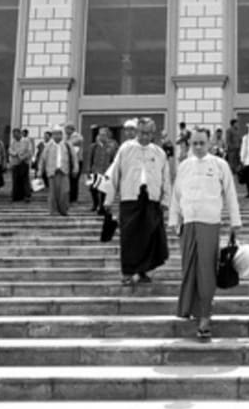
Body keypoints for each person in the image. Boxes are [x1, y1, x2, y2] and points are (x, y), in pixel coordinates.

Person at [168, 128, 242, 341]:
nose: (198, 147)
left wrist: (234, 222)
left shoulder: (220, 165)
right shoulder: (184, 166)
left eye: (202, 143)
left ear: (209, 143)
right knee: (188, 269)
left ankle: (205, 318)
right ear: (189, 144)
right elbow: (176, 195)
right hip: (188, 223)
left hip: (210, 223)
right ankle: (190, 310)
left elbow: (230, 194)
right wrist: (174, 220)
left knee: (206, 271)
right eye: (195, 144)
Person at [101, 117, 171, 286]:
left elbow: (166, 178)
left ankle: (144, 271)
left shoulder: (159, 152)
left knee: (149, 237)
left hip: (152, 199)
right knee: (129, 237)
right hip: (130, 198)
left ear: (152, 134)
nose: (144, 137)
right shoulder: (126, 149)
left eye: (148, 133)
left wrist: (166, 200)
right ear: (136, 131)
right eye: (141, 133)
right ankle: (127, 272)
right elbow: (114, 173)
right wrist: (108, 199)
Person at [38, 125, 77, 216]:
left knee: (65, 192)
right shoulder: (48, 146)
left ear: (62, 134)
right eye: (55, 134)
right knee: (52, 193)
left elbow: (74, 157)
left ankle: (63, 210)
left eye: (59, 134)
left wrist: (75, 168)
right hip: (52, 172)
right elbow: (42, 159)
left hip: (64, 172)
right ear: (52, 135)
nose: (57, 136)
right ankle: (53, 211)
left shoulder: (67, 144)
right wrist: (40, 171)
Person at [88, 127, 118, 213]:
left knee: (104, 191)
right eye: (100, 135)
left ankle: (102, 207)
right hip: (95, 170)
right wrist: (89, 170)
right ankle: (95, 204)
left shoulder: (113, 145)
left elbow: (115, 158)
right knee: (93, 189)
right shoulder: (94, 146)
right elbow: (90, 159)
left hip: (106, 171)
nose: (102, 137)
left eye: (104, 135)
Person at [8, 127, 34, 203]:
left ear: (20, 133)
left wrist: (23, 157)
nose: (14, 136)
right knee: (15, 180)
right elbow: (10, 150)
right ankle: (16, 196)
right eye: (13, 135)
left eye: (16, 134)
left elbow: (30, 151)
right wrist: (15, 154)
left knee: (25, 179)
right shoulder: (13, 142)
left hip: (24, 163)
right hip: (15, 163)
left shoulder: (26, 141)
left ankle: (27, 195)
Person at [64, 123, 84, 203]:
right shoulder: (67, 137)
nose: (65, 131)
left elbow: (69, 144)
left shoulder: (77, 137)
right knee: (69, 180)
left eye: (66, 129)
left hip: (77, 161)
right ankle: (70, 196)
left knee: (74, 180)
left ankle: (73, 197)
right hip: (69, 161)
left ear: (70, 129)